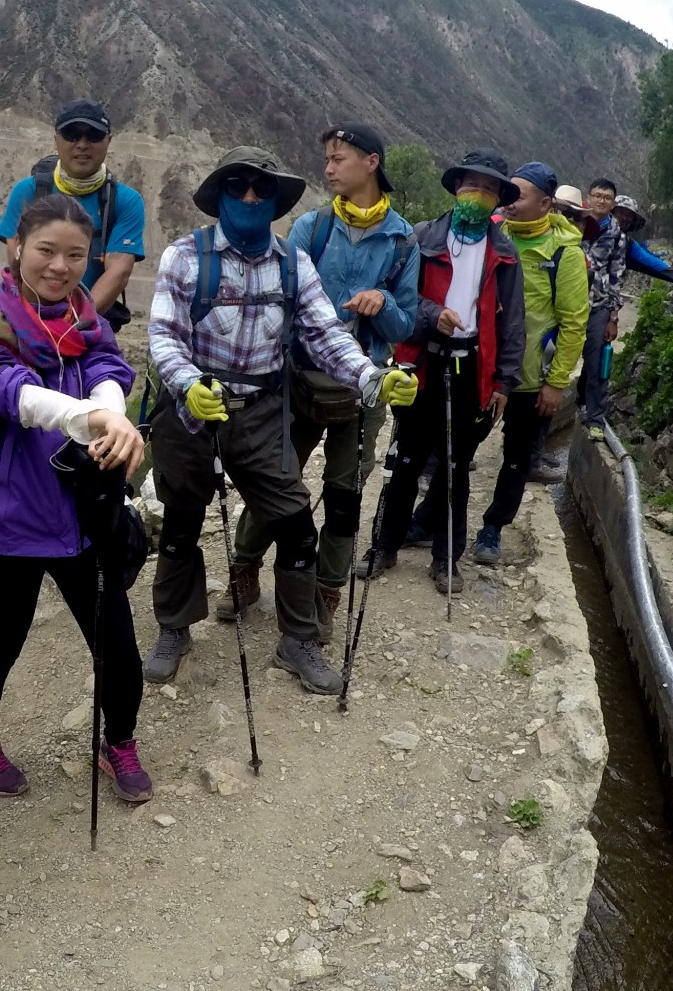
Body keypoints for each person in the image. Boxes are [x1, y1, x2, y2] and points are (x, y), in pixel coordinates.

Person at [142, 145, 419, 695]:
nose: (249, 196)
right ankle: (174, 627)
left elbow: (324, 334)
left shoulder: (294, 264)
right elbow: (163, 337)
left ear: (274, 201)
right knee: (179, 523)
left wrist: (371, 378)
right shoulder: (184, 258)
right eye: (238, 186)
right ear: (219, 195)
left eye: (261, 189)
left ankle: (298, 640)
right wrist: (190, 386)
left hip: (264, 411)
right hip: (191, 409)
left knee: (295, 526)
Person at [0, 194, 152, 801]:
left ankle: (117, 741)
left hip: (82, 518)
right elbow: (7, 391)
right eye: (46, 250)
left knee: (119, 651)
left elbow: (107, 366)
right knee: (1, 643)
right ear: (17, 247)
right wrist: (94, 418)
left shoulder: (85, 320)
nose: (60, 266)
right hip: (8, 521)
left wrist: (112, 414)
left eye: (75, 255)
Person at [224, 124, 418, 640]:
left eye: (339, 158)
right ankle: (243, 572)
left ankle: (326, 592)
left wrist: (385, 303)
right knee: (277, 479)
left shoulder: (402, 240)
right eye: (327, 159)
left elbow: (406, 325)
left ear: (371, 162)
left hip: (363, 387)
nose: (329, 168)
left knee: (344, 491)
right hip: (299, 381)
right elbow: (284, 302)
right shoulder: (313, 228)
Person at [374, 149, 525, 591]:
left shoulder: (504, 252)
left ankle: (446, 559)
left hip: (471, 365)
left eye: (489, 188)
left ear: (498, 198)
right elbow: (398, 298)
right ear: (457, 187)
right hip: (423, 362)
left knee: (456, 467)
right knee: (405, 460)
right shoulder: (423, 238)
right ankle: (384, 545)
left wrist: (504, 381)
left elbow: (513, 320)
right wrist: (431, 314)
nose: (478, 194)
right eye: (471, 185)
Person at [469, 162, 588, 562]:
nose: (510, 202)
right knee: (458, 448)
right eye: (509, 193)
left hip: (530, 378)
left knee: (517, 458)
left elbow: (573, 323)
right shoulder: (494, 235)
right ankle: (431, 515)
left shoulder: (564, 254)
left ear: (546, 203)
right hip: (484, 370)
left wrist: (555, 382)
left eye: (519, 194)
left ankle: (493, 528)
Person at [0, 99, 146, 328]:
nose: (82, 144)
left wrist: (73, 327)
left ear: (108, 141)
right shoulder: (28, 191)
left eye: (93, 135)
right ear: (56, 139)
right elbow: (16, 262)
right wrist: (32, 324)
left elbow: (118, 271)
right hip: (26, 321)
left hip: (88, 328)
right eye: (71, 134)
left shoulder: (125, 201)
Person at [577, 178, 628, 440]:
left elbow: (617, 273)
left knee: (598, 363)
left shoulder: (617, 234)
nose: (601, 201)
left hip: (598, 306)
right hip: (568, 305)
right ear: (588, 197)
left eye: (607, 197)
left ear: (612, 203)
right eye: (597, 195)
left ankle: (595, 418)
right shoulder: (576, 223)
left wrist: (614, 315)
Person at [617, 195, 673, 288]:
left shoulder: (626, 244)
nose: (623, 218)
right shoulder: (595, 228)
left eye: (628, 215)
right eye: (620, 212)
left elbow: (649, 261)